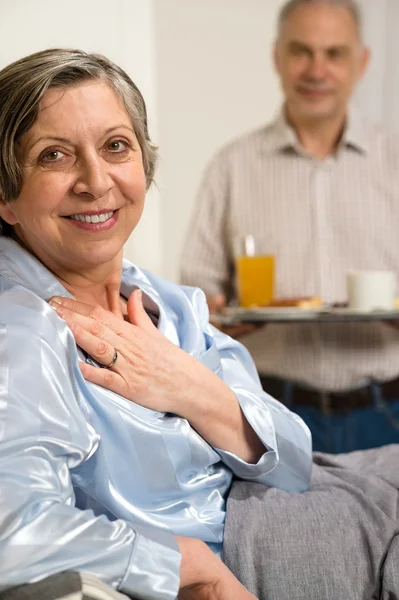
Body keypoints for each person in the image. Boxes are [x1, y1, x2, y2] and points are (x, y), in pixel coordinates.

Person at [0, 48, 313, 600]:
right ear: (5, 195)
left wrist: (189, 387)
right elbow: (15, 534)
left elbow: (294, 462)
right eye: (54, 156)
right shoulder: (21, 330)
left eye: (116, 146)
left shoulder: (169, 302)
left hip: (276, 530)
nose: (96, 181)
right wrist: (185, 562)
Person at [180, 0, 399, 454]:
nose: (316, 70)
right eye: (301, 51)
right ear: (277, 57)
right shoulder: (232, 165)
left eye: (334, 54)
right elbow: (196, 294)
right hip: (268, 412)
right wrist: (215, 316)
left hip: (389, 411)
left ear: (362, 63)